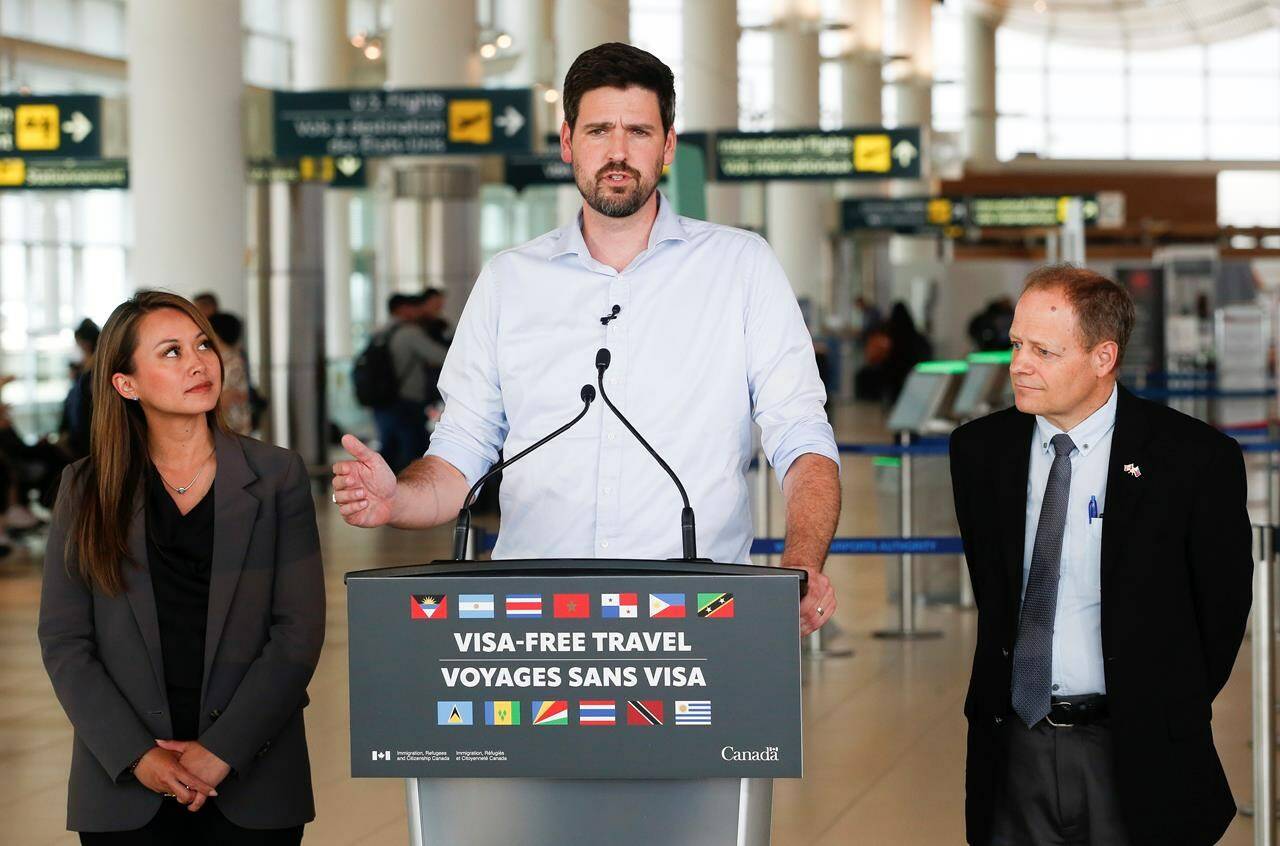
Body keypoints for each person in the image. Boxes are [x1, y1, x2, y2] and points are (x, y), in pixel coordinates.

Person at [331, 42, 840, 635]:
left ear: (668, 146)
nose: (618, 153)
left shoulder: (741, 266)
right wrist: (399, 500)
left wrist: (802, 565)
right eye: (599, 130)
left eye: (639, 132)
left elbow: (800, 435)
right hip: (534, 619)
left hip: (699, 614)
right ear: (568, 141)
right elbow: (462, 450)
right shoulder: (508, 280)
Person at [949, 265, 1252, 846]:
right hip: (1013, 747)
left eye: (1044, 350)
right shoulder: (980, 453)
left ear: (1103, 357)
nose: (1019, 365)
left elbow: (1222, 612)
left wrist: (1156, 703)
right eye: (1015, 344)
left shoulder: (1194, 460)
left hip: (1136, 747)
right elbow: (994, 593)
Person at [38, 291, 325, 844]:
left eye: (202, 346)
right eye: (171, 352)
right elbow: (65, 641)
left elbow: (297, 635)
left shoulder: (276, 475)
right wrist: (138, 756)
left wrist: (222, 751)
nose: (198, 363)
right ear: (127, 383)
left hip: (253, 779)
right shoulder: (86, 487)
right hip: (125, 786)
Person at [371, 293, 447, 474]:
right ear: (403, 309)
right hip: (406, 402)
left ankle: (382, 490)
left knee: (389, 450)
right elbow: (442, 356)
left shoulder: (380, 331)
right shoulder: (410, 333)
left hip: (382, 401)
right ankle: (403, 494)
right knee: (411, 453)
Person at [208, 312, 252, 435]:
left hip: (231, 428)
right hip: (229, 428)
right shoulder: (225, 358)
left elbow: (225, 398)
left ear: (217, 334)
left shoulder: (231, 361)